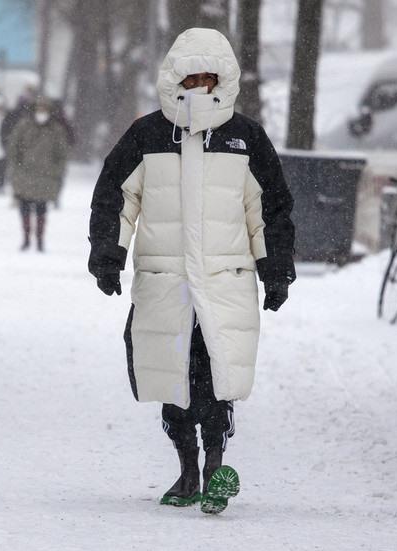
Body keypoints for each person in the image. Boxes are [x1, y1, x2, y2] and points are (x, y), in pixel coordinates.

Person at [87, 28, 296, 515]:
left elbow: (269, 209)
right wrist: (107, 256)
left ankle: (215, 464)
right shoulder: (147, 135)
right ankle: (186, 469)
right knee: (174, 380)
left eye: (209, 75)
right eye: (191, 75)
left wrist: (277, 270)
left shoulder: (245, 138)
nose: (200, 84)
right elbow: (115, 198)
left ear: (224, 78)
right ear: (173, 76)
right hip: (166, 283)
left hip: (225, 283)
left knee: (215, 377)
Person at [7, 97, 70, 252]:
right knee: (25, 208)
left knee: (42, 209)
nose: (41, 114)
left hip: (46, 177)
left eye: (44, 111)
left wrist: (56, 171)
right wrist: (17, 168)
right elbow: (13, 148)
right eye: (39, 110)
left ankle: (40, 239)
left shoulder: (56, 130)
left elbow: (62, 153)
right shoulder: (24, 127)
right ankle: (26, 238)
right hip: (25, 175)